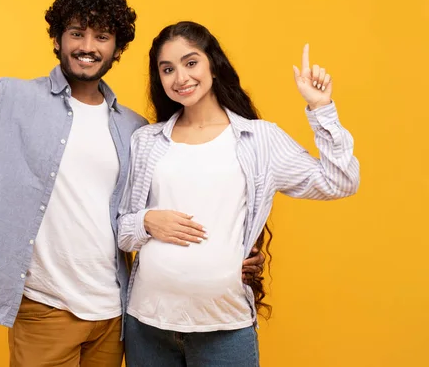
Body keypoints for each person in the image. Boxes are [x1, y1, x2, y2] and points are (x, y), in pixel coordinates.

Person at [0, 0, 265, 367]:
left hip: (115, 314)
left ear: (117, 47)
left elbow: (158, 213)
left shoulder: (135, 128)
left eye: (102, 36)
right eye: (77, 33)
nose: (87, 46)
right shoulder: (11, 99)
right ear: (58, 39)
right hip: (45, 307)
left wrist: (231, 255)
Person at [118, 21, 360, 367]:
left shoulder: (258, 140)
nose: (180, 78)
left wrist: (322, 108)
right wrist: (147, 220)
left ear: (212, 65)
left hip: (225, 325)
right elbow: (123, 232)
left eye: (190, 63)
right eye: (167, 69)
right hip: (148, 323)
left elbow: (341, 182)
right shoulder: (147, 141)